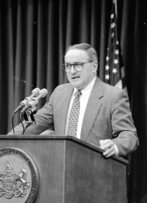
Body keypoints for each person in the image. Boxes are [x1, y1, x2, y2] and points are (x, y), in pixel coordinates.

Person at [9, 43, 139, 158]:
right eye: (68, 66)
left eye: (77, 65)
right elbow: (34, 127)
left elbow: (129, 135)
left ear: (94, 66)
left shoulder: (113, 95)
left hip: (96, 171)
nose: (72, 71)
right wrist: (27, 115)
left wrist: (115, 146)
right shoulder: (60, 93)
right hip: (61, 172)